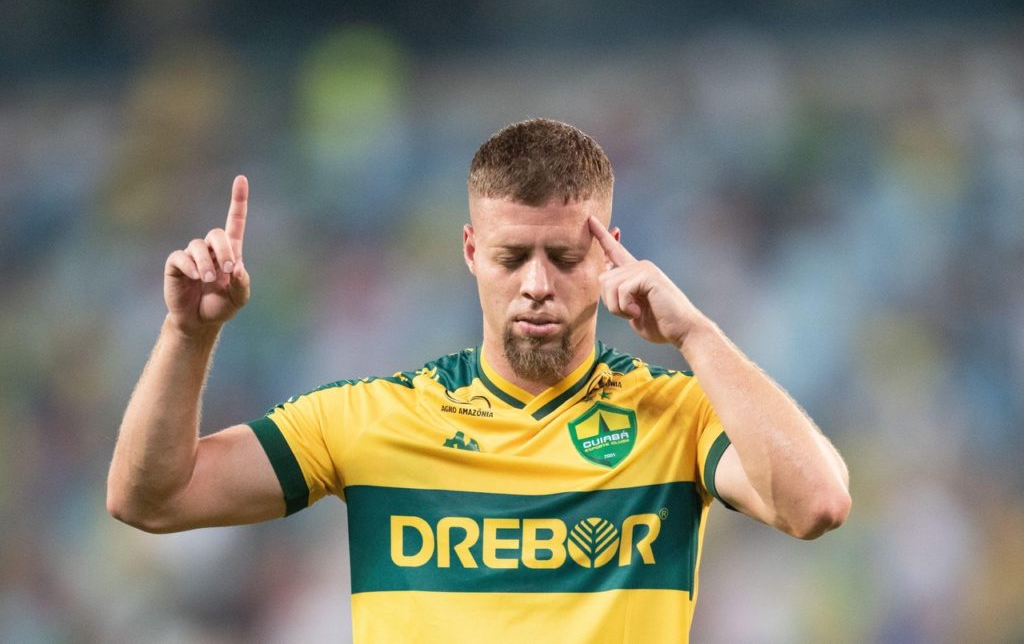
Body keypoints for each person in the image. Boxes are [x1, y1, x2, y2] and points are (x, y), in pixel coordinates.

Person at [108, 118, 850, 642]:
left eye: (563, 257)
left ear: (609, 254)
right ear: (470, 250)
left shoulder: (678, 416)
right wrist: (188, 332)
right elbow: (151, 498)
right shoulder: (373, 419)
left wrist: (696, 334)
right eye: (509, 257)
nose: (535, 285)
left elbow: (816, 503)